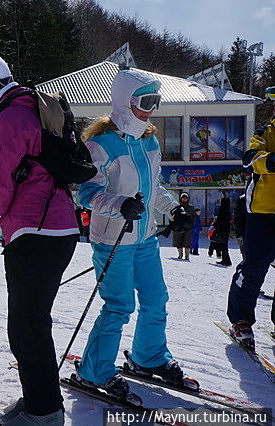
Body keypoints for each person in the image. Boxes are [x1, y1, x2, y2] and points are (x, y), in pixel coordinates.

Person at [0, 52, 78, 426]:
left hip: (35, 230)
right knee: (33, 322)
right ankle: (40, 401)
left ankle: (43, 412)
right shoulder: (32, 105)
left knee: (26, 326)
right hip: (58, 226)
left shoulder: (7, 119)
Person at [75, 68, 189, 401]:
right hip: (113, 239)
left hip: (145, 238)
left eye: (156, 101)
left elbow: (153, 189)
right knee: (119, 306)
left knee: (156, 300)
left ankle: (147, 357)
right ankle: (94, 370)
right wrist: (120, 204)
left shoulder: (149, 140)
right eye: (145, 101)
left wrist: (173, 209)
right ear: (125, 103)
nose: (150, 109)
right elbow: (86, 194)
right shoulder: (101, 144)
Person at [227, 87, 275, 347]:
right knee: (254, 268)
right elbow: (250, 159)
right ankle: (241, 319)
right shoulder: (265, 132)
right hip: (263, 213)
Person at [172, 192, 195, 260]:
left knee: (187, 241)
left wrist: (190, 224)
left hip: (188, 227)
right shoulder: (177, 206)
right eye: (183, 198)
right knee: (178, 241)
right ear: (180, 198)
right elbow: (173, 216)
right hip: (179, 226)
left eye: (185, 198)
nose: (184, 199)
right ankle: (180, 255)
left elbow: (193, 217)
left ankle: (187, 256)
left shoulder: (191, 207)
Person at [209, 197, 232, 266]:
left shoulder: (223, 210)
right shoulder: (227, 210)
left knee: (224, 246)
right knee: (224, 246)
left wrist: (216, 225)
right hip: (225, 230)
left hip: (222, 230)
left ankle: (226, 261)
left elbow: (220, 220)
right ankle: (225, 259)